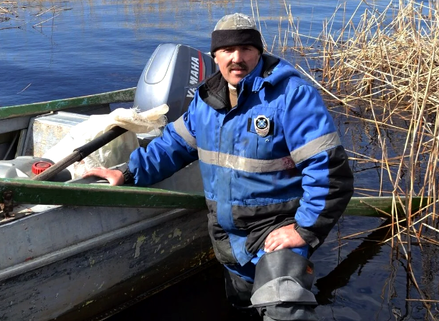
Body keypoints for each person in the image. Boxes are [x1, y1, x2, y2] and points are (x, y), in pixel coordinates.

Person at [84, 12, 354, 321]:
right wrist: (129, 173)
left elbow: (331, 174)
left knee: (284, 310)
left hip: (277, 231)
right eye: (227, 50)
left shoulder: (291, 97)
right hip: (229, 238)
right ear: (215, 55)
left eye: (246, 49)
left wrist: (304, 230)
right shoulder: (205, 101)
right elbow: (172, 145)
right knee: (243, 309)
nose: (237, 58)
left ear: (259, 51)